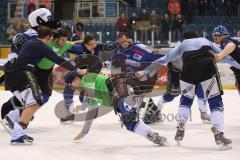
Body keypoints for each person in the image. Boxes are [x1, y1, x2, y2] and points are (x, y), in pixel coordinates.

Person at [136, 30, 240, 150]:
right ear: (197, 36)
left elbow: (163, 60)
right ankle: (219, 133)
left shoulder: (182, 44)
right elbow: (226, 57)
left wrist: (145, 71)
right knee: (215, 100)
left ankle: (180, 125)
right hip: (207, 66)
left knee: (185, 99)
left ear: (185, 38)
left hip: (188, 69)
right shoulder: (205, 40)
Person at [4, 26, 86, 145]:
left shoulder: (29, 42)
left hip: (10, 75)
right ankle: (17, 132)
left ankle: (14, 117)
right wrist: (77, 70)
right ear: (48, 37)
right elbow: (59, 60)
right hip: (23, 73)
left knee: (30, 102)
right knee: (35, 102)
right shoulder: (42, 46)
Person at [63, 71, 169, 146]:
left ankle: (136, 102)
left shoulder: (87, 79)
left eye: (71, 85)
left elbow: (90, 92)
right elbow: (91, 113)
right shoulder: (89, 91)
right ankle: (154, 137)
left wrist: (82, 106)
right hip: (119, 96)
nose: (73, 88)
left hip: (120, 89)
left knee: (127, 111)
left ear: (76, 79)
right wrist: (84, 132)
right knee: (129, 123)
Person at [1, 8, 62, 125]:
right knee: (32, 98)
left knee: (44, 97)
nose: (51, 21)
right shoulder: (28, 35)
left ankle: (20, 114)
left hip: (44, 69)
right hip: (31, 70)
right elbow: (17, 51)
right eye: (48, 19)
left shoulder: (48, 32)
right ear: (39, 20)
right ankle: (14, 112)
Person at [112, 33, 165, 124]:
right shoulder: (119, 52)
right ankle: (153, 114)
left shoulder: (139, 47)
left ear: (128, 39)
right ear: (119, 43)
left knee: (140, 93)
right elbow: (114, 63)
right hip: (137, 76)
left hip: (149, 74)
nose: (124, 43)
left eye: (125, 40)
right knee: (136, 93)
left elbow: (157, 56)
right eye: (121, 42)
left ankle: (152, 114)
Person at [212, 25, 240, 94]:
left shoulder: (225, 40)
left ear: (220, 35)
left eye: (215, 38)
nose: (216, 42)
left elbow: (231, 45)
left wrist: (220, 55)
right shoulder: (235, 40)